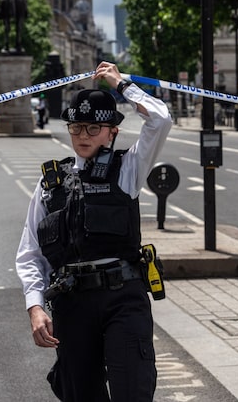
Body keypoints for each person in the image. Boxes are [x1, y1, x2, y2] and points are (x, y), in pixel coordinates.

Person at [16, 61, 172, 401]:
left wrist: (121, 85)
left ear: (112, 131)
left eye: (93, 128)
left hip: (122, 300)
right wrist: (35, 306)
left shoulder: (128, 168)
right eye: (76, 128)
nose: (83, 136)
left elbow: (160, 120)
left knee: (132, 390)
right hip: (72, 304)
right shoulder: (50, 184)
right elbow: (30, 253)